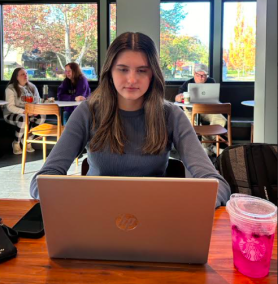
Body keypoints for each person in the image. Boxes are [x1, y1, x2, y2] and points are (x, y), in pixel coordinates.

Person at [30, 32, 230, 208]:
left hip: (155, 219)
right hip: (95, 217)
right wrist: (77, 203)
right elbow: (41, 180)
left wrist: (187, 207)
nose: (132, 79)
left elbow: (216, 183)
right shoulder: (88, 112)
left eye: (142, 70)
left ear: (153, 74)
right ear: (110, 72)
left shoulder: (171, 115)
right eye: (123, 69)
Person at [175, 64, 227, 156]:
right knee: (193, 124)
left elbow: (216, 98)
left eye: (204, 75)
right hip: (191, 110)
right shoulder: (188, 83)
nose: (201, 77)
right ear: (195, 74)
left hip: (209, 110)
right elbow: (177, 98)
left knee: (221, 120)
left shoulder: (211, 82)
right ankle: (208, 147)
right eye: (199, 75)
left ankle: (206, 146)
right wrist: (179, 97)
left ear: (207, 75)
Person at [3, 67, 46, 155]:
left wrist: (36, 110)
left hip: (29, 113)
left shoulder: (32, 87)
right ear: (16, 77)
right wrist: (25, 112)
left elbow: (38, 101)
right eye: (22, 74)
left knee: (42, 116)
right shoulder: (10, 89)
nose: (25, 76)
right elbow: (10, 107)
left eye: (26, 74)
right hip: (11, 114)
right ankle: (16, 143)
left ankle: (28, 140)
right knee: (23, 118)